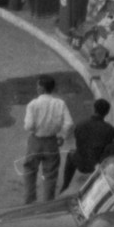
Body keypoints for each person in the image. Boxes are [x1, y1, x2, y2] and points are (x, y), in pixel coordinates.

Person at [20, 75, 74, 204]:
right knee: (50, 174)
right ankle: (47, 203)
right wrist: (62, 136)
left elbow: (29, 126)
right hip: (51, 142)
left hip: (35, 141)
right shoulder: (60, 104)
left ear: (41, 88)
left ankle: (29, 199)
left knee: (30, 170)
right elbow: (69, 123)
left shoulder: (33, 104)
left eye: (38, 85)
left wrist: (35, 129)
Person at [68, 98, 114, 191]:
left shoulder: (80, 124)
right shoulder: (108, 128)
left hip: (81, 161)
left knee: (70, 154)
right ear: (107, 112)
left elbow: (78, 141)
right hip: (98, 164)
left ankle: (65, 184)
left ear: (94, 109)